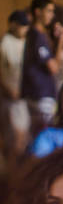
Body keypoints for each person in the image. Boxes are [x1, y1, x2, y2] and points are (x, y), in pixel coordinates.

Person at [22, 0, 63, 134]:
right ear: (38, 12)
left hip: (36, 96)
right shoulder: (36, 36)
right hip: (41, 97)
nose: (52, 15)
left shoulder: (37, 35)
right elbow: (53, 67)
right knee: (43, 136)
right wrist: (61, 43)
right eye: (49, 11)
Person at [0, 10, 30, 165]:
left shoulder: (25, 42)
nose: (25, 29)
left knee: (22, 138)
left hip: (23, 98)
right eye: (22, 26)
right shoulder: (4, 44)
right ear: (13, 25)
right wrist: (8, 90)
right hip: (10, 99)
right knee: (13, 140)